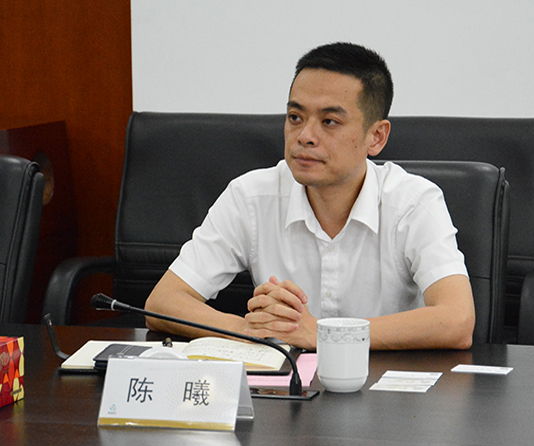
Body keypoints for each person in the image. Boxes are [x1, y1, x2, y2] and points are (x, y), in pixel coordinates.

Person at [145, 42, 475, 351]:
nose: (305, 136)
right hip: (285, 383)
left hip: (386, 383)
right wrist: (248, 329)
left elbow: (457, 321)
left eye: (329, 121)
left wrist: (321, 333)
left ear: (376, 137)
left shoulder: (413, 203)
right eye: (295, 117)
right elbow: (163, 302)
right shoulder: (251, 197)